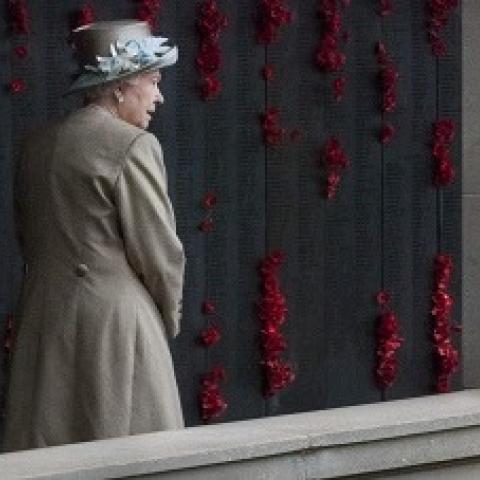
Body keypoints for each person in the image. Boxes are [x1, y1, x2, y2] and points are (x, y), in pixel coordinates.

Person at [2, 20, 186, 451]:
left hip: (44, 325)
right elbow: (159, 254)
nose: (159, 96)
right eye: (153, 81)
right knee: (133, 455)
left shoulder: (35, 145)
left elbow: (28, 236)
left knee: (49, 457)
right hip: (117, 326)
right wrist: (164, 321)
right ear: (121, 85)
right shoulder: (133, 146)